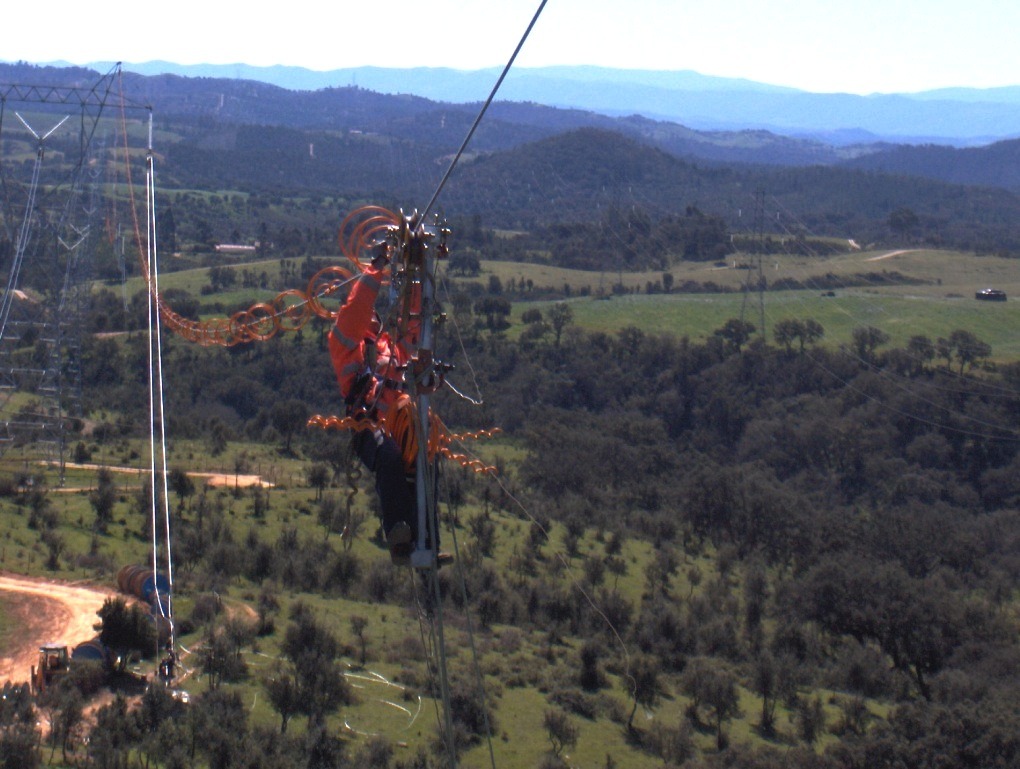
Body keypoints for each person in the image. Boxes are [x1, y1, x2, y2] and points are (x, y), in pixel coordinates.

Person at [328, 248, 449, 566]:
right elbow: (352, 316)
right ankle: (398, 533)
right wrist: (374, 271)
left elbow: (412, 321)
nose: (369, 316)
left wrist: (415, 269)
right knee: (390, 457)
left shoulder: (393, 349)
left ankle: (426, 540)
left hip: (400, 424)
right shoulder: (348, 348)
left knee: (426, 460)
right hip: (367, 428)